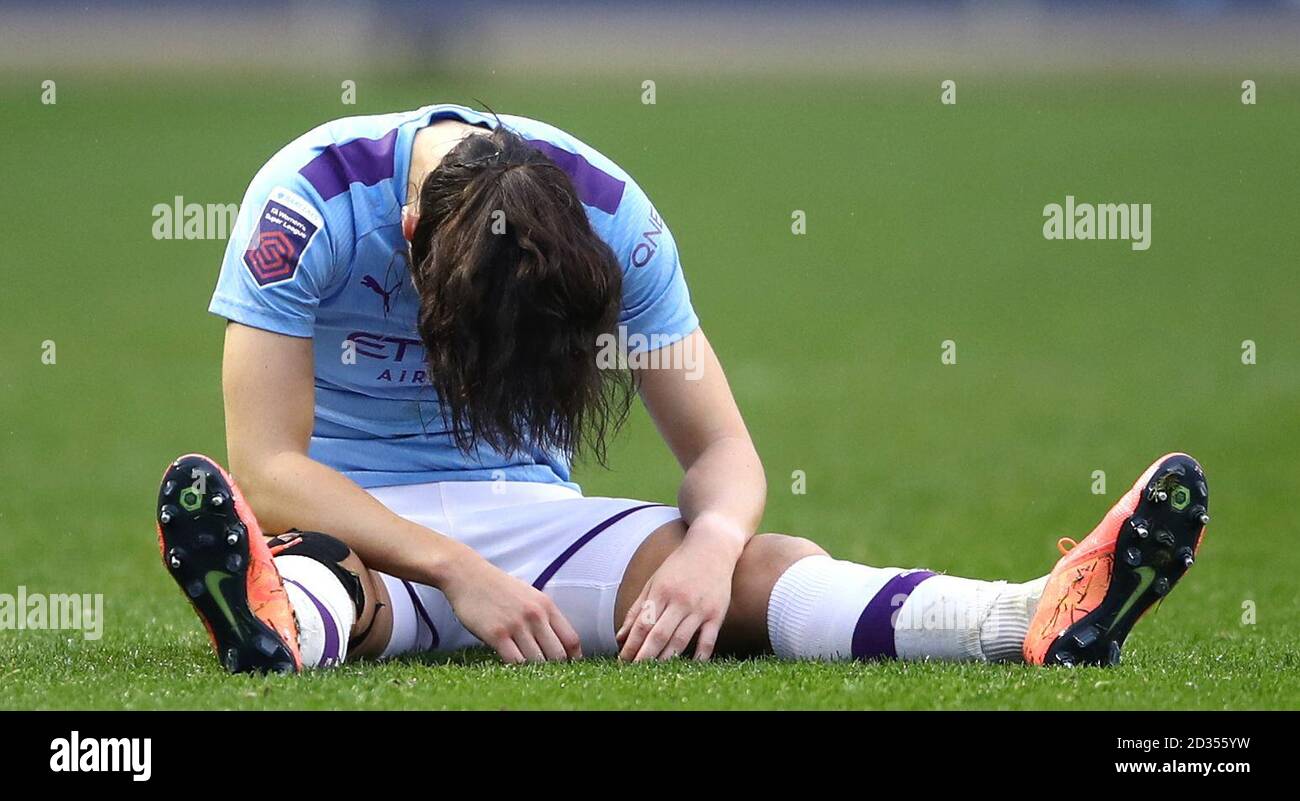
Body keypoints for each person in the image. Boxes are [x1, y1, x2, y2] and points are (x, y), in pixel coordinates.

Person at [155, 104, 1209, 673]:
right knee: (326, 579)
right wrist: (450, 568)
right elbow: (268, 467)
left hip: (528, 524)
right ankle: (277, 626)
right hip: (355, 522)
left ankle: (1023, 618)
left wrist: (706, 552)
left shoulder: (615, 224)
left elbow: (719, 453)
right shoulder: (310, 203)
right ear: (414, 238)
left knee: (764, 568)